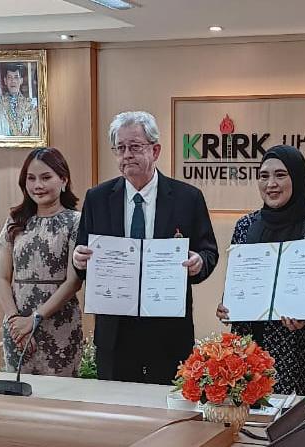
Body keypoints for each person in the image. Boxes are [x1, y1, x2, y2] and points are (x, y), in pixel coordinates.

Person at [72, 111, 219, 385]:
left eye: (135, 147)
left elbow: (209, 251)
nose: (127, 155)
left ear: (155, 150)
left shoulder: (187, 198)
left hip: (168, 331)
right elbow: (83, 256)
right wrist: (78, 260)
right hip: (115, 331)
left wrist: (199, 262)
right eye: (120, 148)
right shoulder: (97, 198)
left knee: (168, 404)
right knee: (116, 405)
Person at [216, 145, 305, 398]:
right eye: (264, 176)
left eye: (280, 175)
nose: (271, 184)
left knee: (304, 421)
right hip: (251, 355)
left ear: (298, 177)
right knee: (252, 419)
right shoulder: (245, 226)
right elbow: (240, 283)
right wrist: (229, 306)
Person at [0, 147, 83, 377]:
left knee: (60, 394)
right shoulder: (15, 220)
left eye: (46, 177)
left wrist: (34, 319)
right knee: (18, 393)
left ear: (63, 180)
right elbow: (2, 278)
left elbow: (73, 282)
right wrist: (16, 321)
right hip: (17, 328)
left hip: (59, 326)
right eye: (31, 178)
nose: (37, 185)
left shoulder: (75, 221)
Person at [0, 63, 39, 137]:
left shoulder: (31, 106)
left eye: (16, 77)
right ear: (5, 81)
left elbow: (35, 134)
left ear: (21, 80)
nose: (13, 81)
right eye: (9, 77)